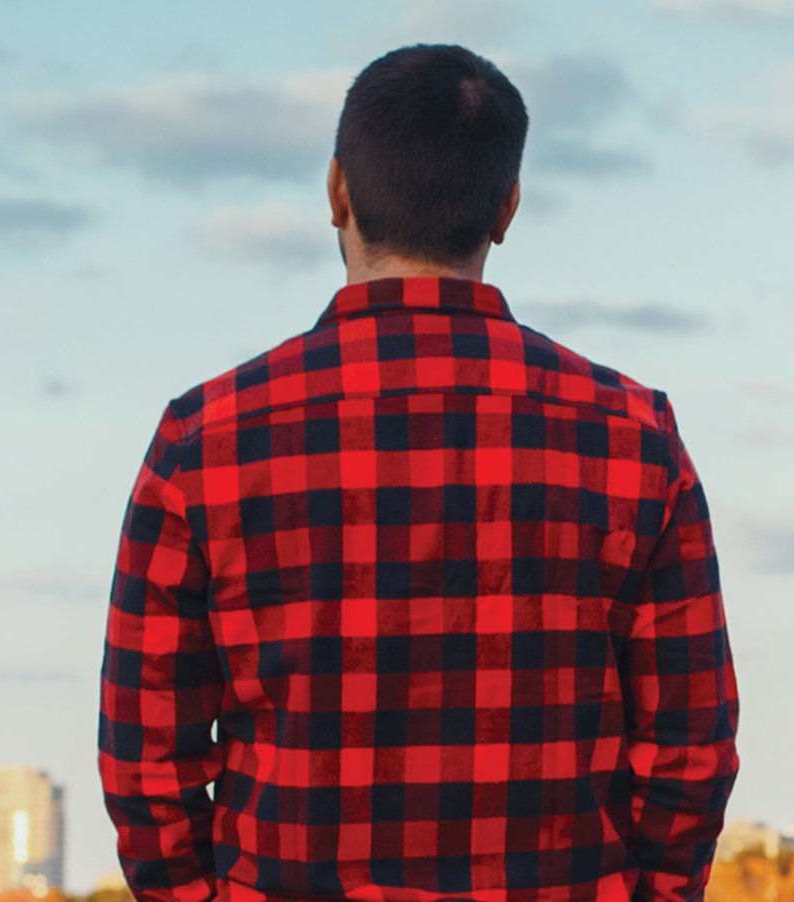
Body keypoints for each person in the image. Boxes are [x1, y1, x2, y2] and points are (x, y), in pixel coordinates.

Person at [98, 44, 737, 902]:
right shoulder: (634, 438)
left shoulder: (202, 442)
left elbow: (146, 761)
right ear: (506, 208)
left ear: (336, 193)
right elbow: (690, 752)